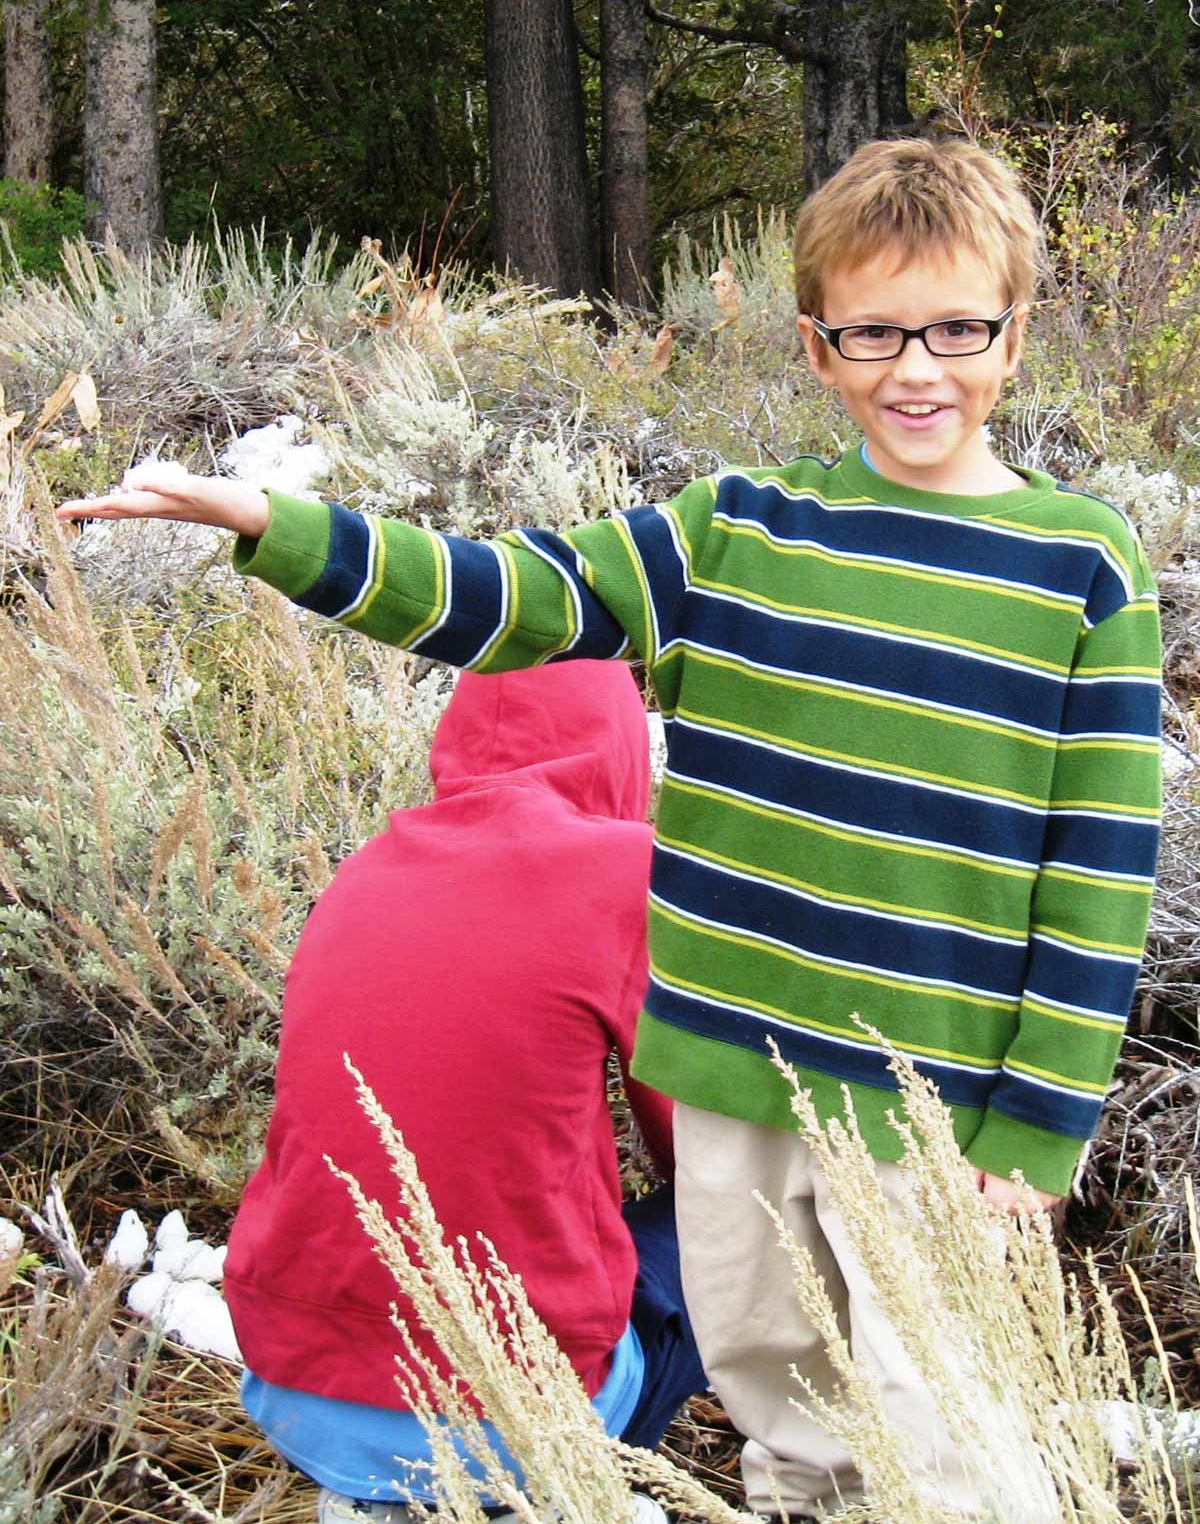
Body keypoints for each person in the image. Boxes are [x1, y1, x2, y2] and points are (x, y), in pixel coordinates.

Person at [59, 135, 1163, 1519]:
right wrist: (277, 526)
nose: (917, 367)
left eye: (956, 328)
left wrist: (1038, 1132)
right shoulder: (739, 530)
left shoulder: (1083, 566)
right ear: (818, 345)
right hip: (734, 1084)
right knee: (791, 1421)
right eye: (874, 331)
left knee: (947, 1447)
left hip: (932, 1111)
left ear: (1013, 334)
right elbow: (508, 597)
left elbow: (1100, 879)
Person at [222, 658, 705, 1524]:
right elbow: (701, 1148)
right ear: (623, 747)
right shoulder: (625, 871)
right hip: (523, 1417)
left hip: (291, 1384)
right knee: (760, 1216)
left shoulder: (361, 872)